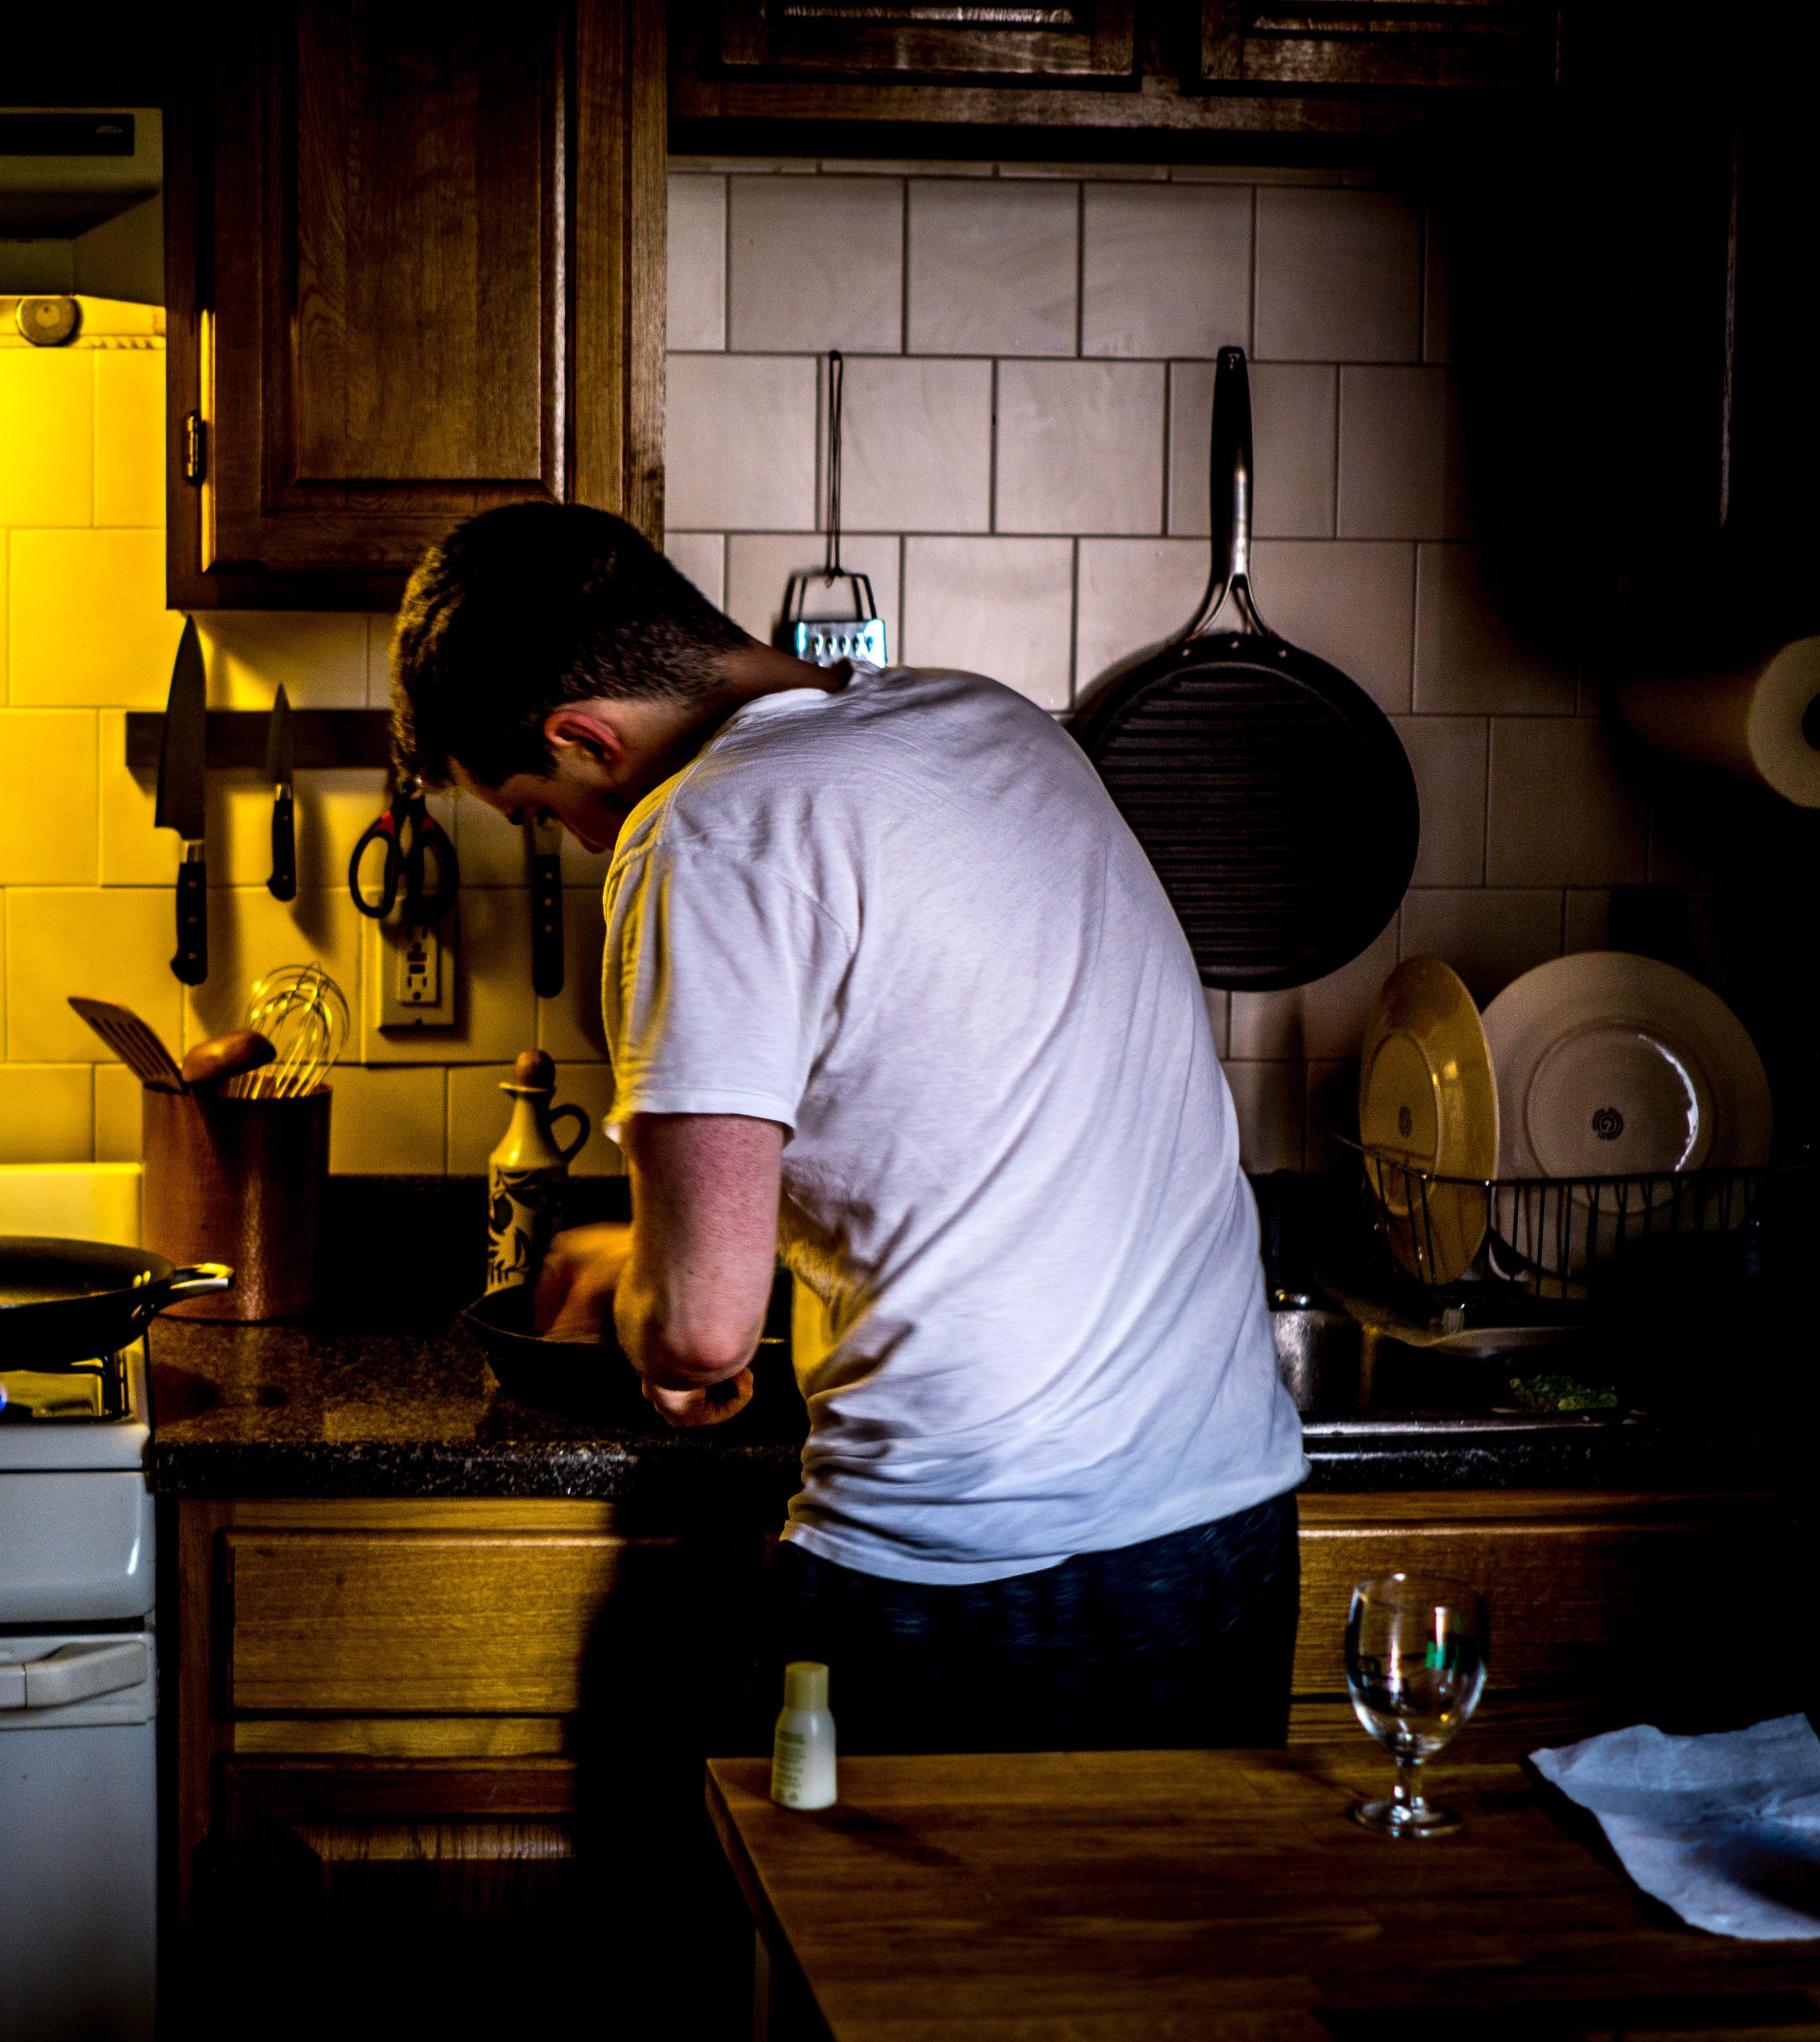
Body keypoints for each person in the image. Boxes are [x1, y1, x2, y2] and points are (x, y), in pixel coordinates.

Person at [391, 503, 1306, 1752]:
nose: (570, 836)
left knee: (879, 1944)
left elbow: (701, 1329)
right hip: (1222, 1518)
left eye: (540, 808)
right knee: (1157, 1941)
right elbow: (946, 1116)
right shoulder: (987, 721)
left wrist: (631, 1293)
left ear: (583, 737)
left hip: (972, 1555)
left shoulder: (701, 833)